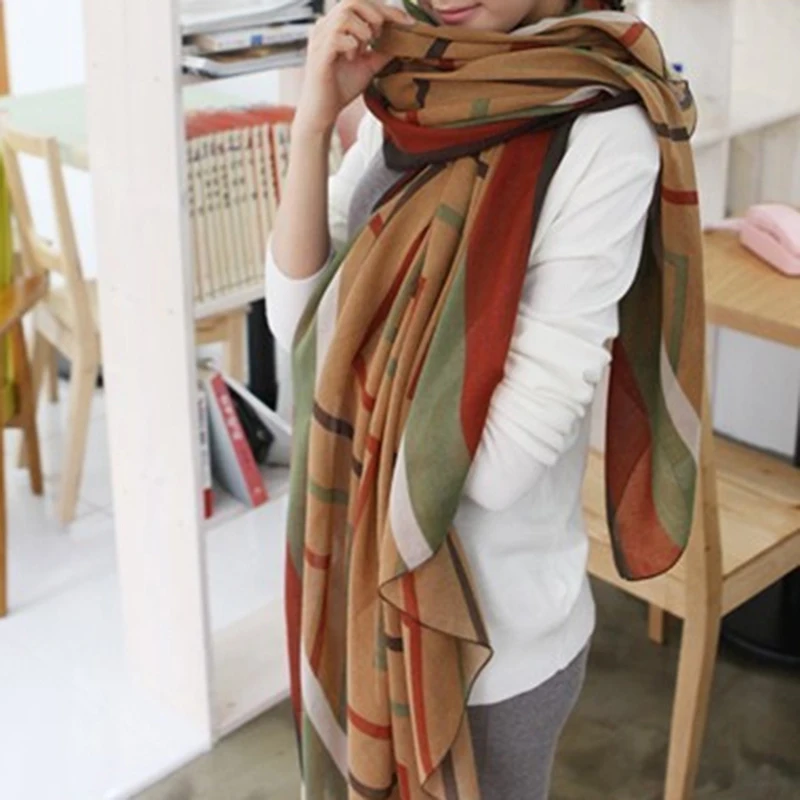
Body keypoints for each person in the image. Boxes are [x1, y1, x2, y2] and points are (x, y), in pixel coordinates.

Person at [267, 1, 704, 798]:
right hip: (356, 589)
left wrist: (365, 371)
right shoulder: (415, 80)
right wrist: (312, 122)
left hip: (490, 648)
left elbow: (495, 468)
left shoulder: (603, 130)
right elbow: (298, 324)